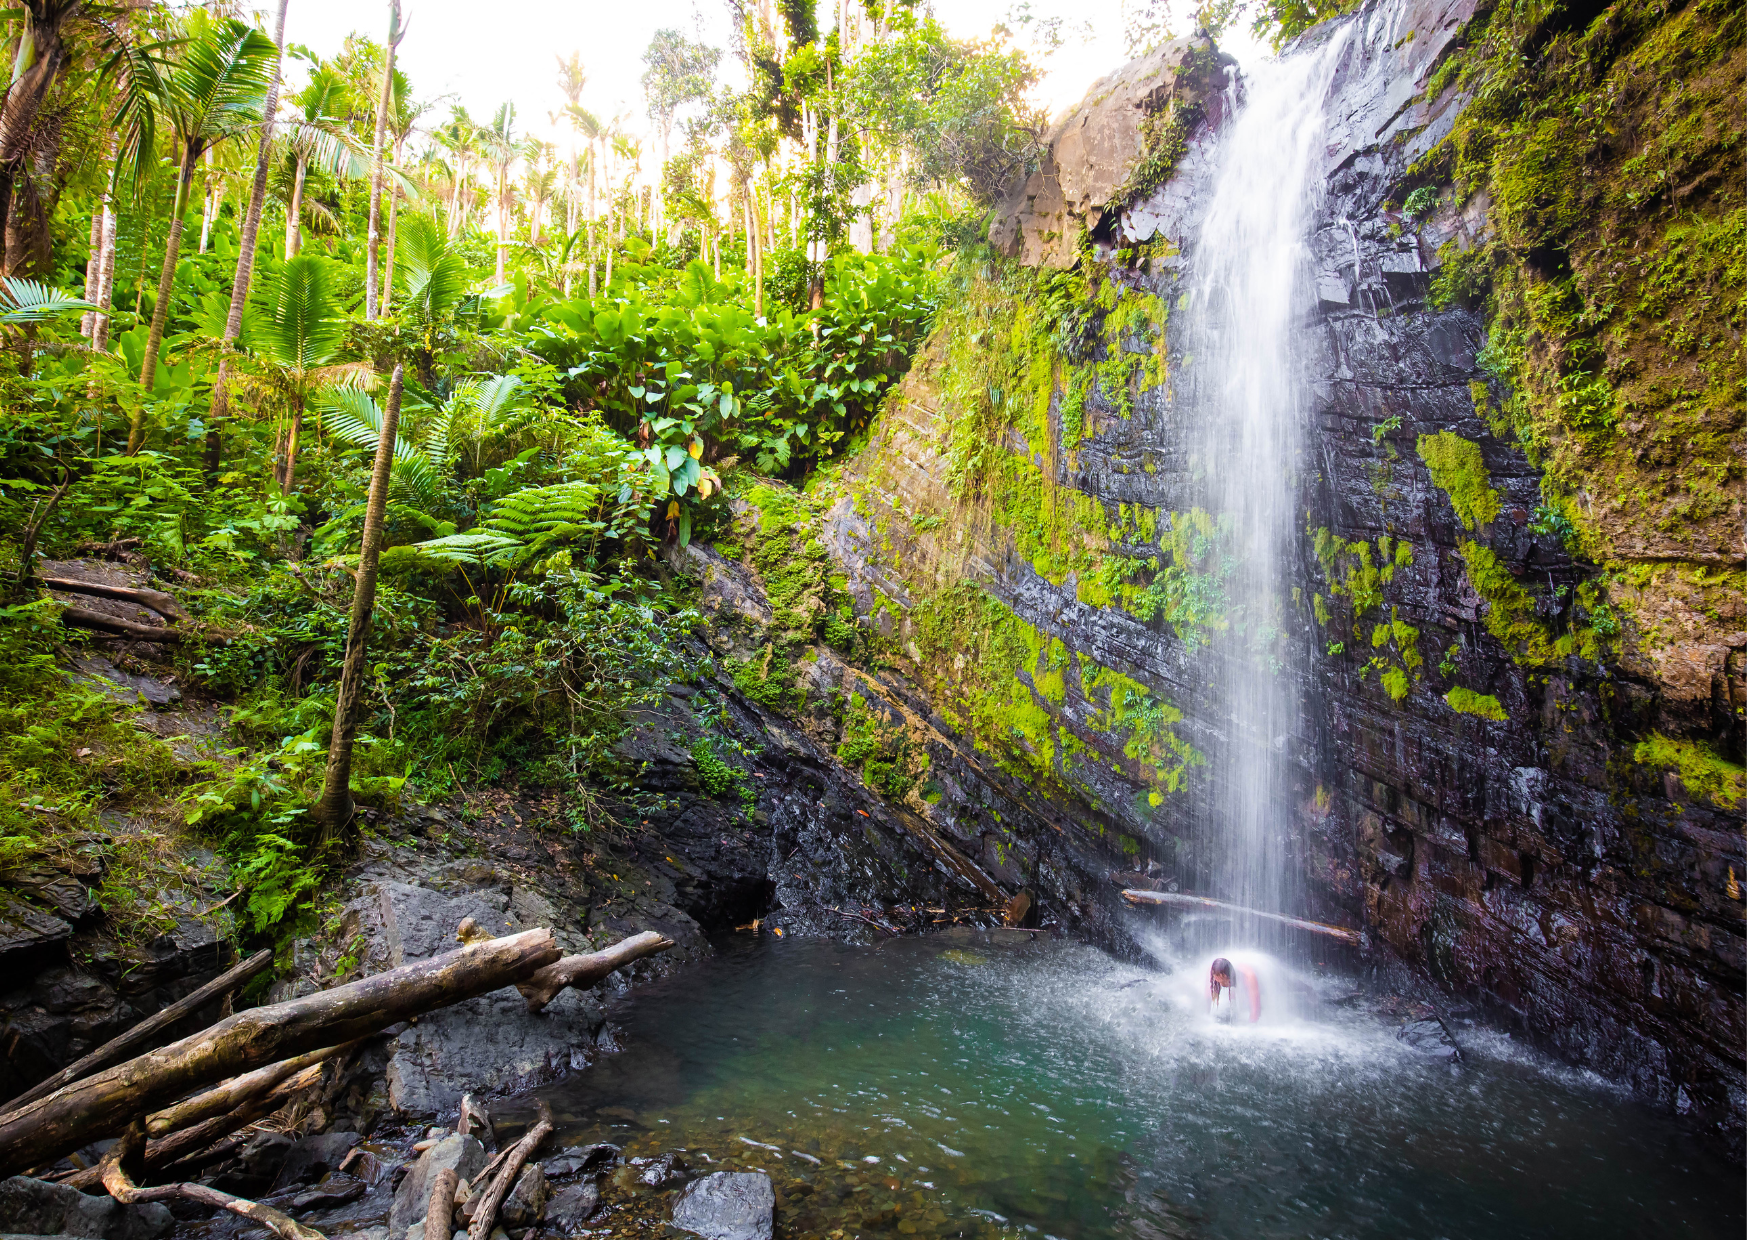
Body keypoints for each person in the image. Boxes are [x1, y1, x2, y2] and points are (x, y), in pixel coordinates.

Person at [1208, 956, 1262, 1023]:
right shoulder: (1213, 973)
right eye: (1219, 978)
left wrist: (1252, 1023)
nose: (1222, 981)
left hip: (1258, 986)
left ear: (1228, 975)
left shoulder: (1248, 977)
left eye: (1224, 978)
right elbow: (1207, 1001)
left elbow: (1256, 1007)